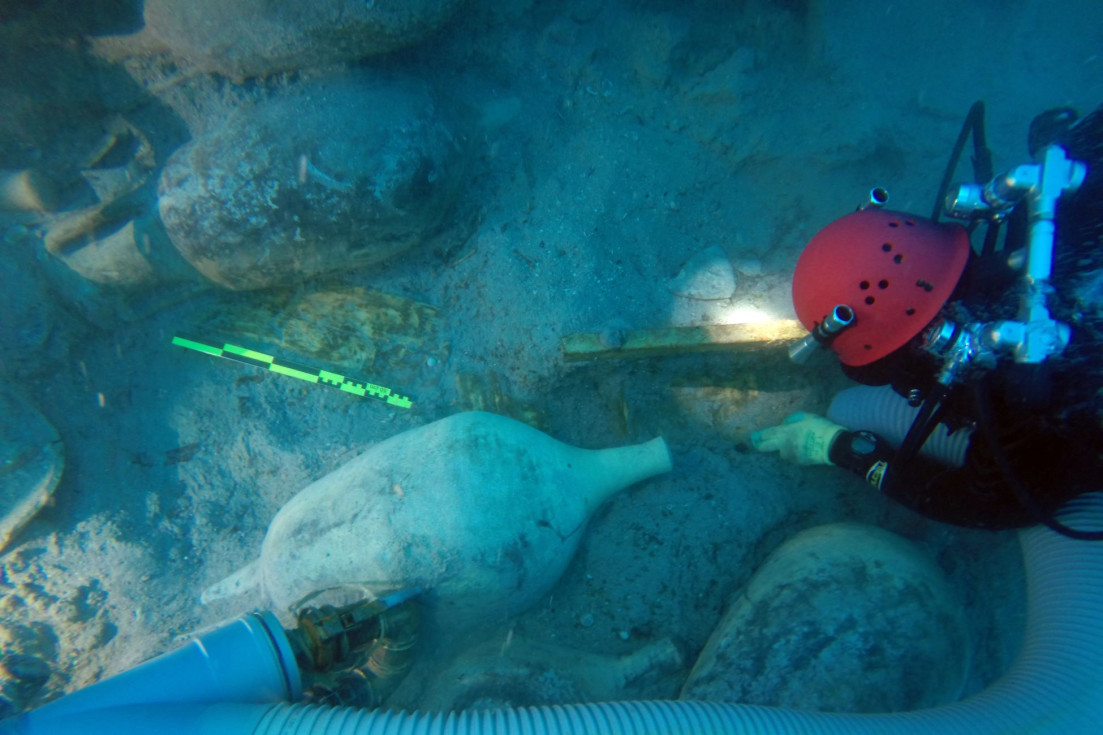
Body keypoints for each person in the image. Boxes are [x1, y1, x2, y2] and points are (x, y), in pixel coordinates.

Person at [751, 102, 1103, 539]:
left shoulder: (1035, 398)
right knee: (852, 408)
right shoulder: (1073, 173)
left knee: (851, 409)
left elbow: (987, 503)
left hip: (1073, 445)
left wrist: (843, 450)